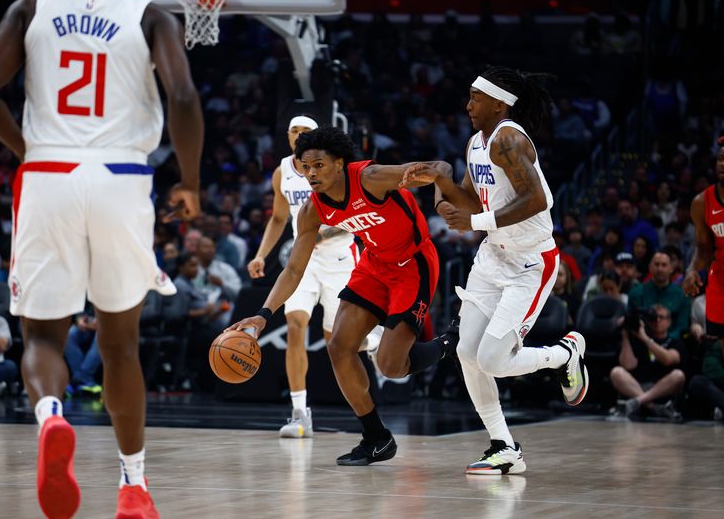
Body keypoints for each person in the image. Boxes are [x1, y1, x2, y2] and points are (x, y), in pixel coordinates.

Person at [0, 0, 203, 517]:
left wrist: (31, 149)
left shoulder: (29, 5)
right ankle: (134, 487)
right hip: (122, 178)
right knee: (120, 346)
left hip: (49, 174)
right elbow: (183, 97)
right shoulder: (152, 14)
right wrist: (189, 182)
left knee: (44, 335)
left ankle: (51, 416)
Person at [229, 126, 456, 465]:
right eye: (306, 167)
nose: (311, 173)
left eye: (319, 165)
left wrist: (437, 189)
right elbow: (293, 270)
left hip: (413, 263)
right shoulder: (312, 210)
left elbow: (441, 167)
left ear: (339, 163)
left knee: (391, 366)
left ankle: (450, 340)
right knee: (339, 346)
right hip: (374, 266)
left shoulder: (371, 178)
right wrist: (263, 315)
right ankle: (376, 438)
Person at [402, 67, 589, 475]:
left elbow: (539, 199)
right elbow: (469, 201)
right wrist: (442, 181)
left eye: (475, 98)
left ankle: (563, 354)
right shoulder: (475, 144)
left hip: (529, 262)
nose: (468, 105)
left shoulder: (508, 137)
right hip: (492, 258)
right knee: (468, 353)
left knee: (491, 359)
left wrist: (475, 223)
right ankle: (504, 446)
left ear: (499, 103)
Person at [247, 116, 380, 438]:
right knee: (295, 327)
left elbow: (354, 216)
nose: (298, 135)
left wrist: (320, 236)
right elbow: (279, 218)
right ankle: (298, 413)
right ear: (288, 135)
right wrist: (261, 254)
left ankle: (371, 345)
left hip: (339, 258)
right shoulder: (283, 171)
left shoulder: (335, 170)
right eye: (294, 130)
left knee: (340, 341)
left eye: (305, 131)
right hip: (301, 260)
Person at [684, 139, 724, 362]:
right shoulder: (702, 202)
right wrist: (691, 270)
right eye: (720, 159)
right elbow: (704, 251)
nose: (722, 164)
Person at [611, 304, 685, 421]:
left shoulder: (675, 343)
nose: (657, 321)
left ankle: (638, 401)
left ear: (669, 322)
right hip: (637, 387)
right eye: (654, 318)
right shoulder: (637, 339)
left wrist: (645, 338)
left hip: (662, 388)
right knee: (616, 372)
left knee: (678, 375)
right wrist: (625, 336)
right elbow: (628, 365)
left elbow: (668, 359)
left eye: (661, 317)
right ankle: (653, 407)